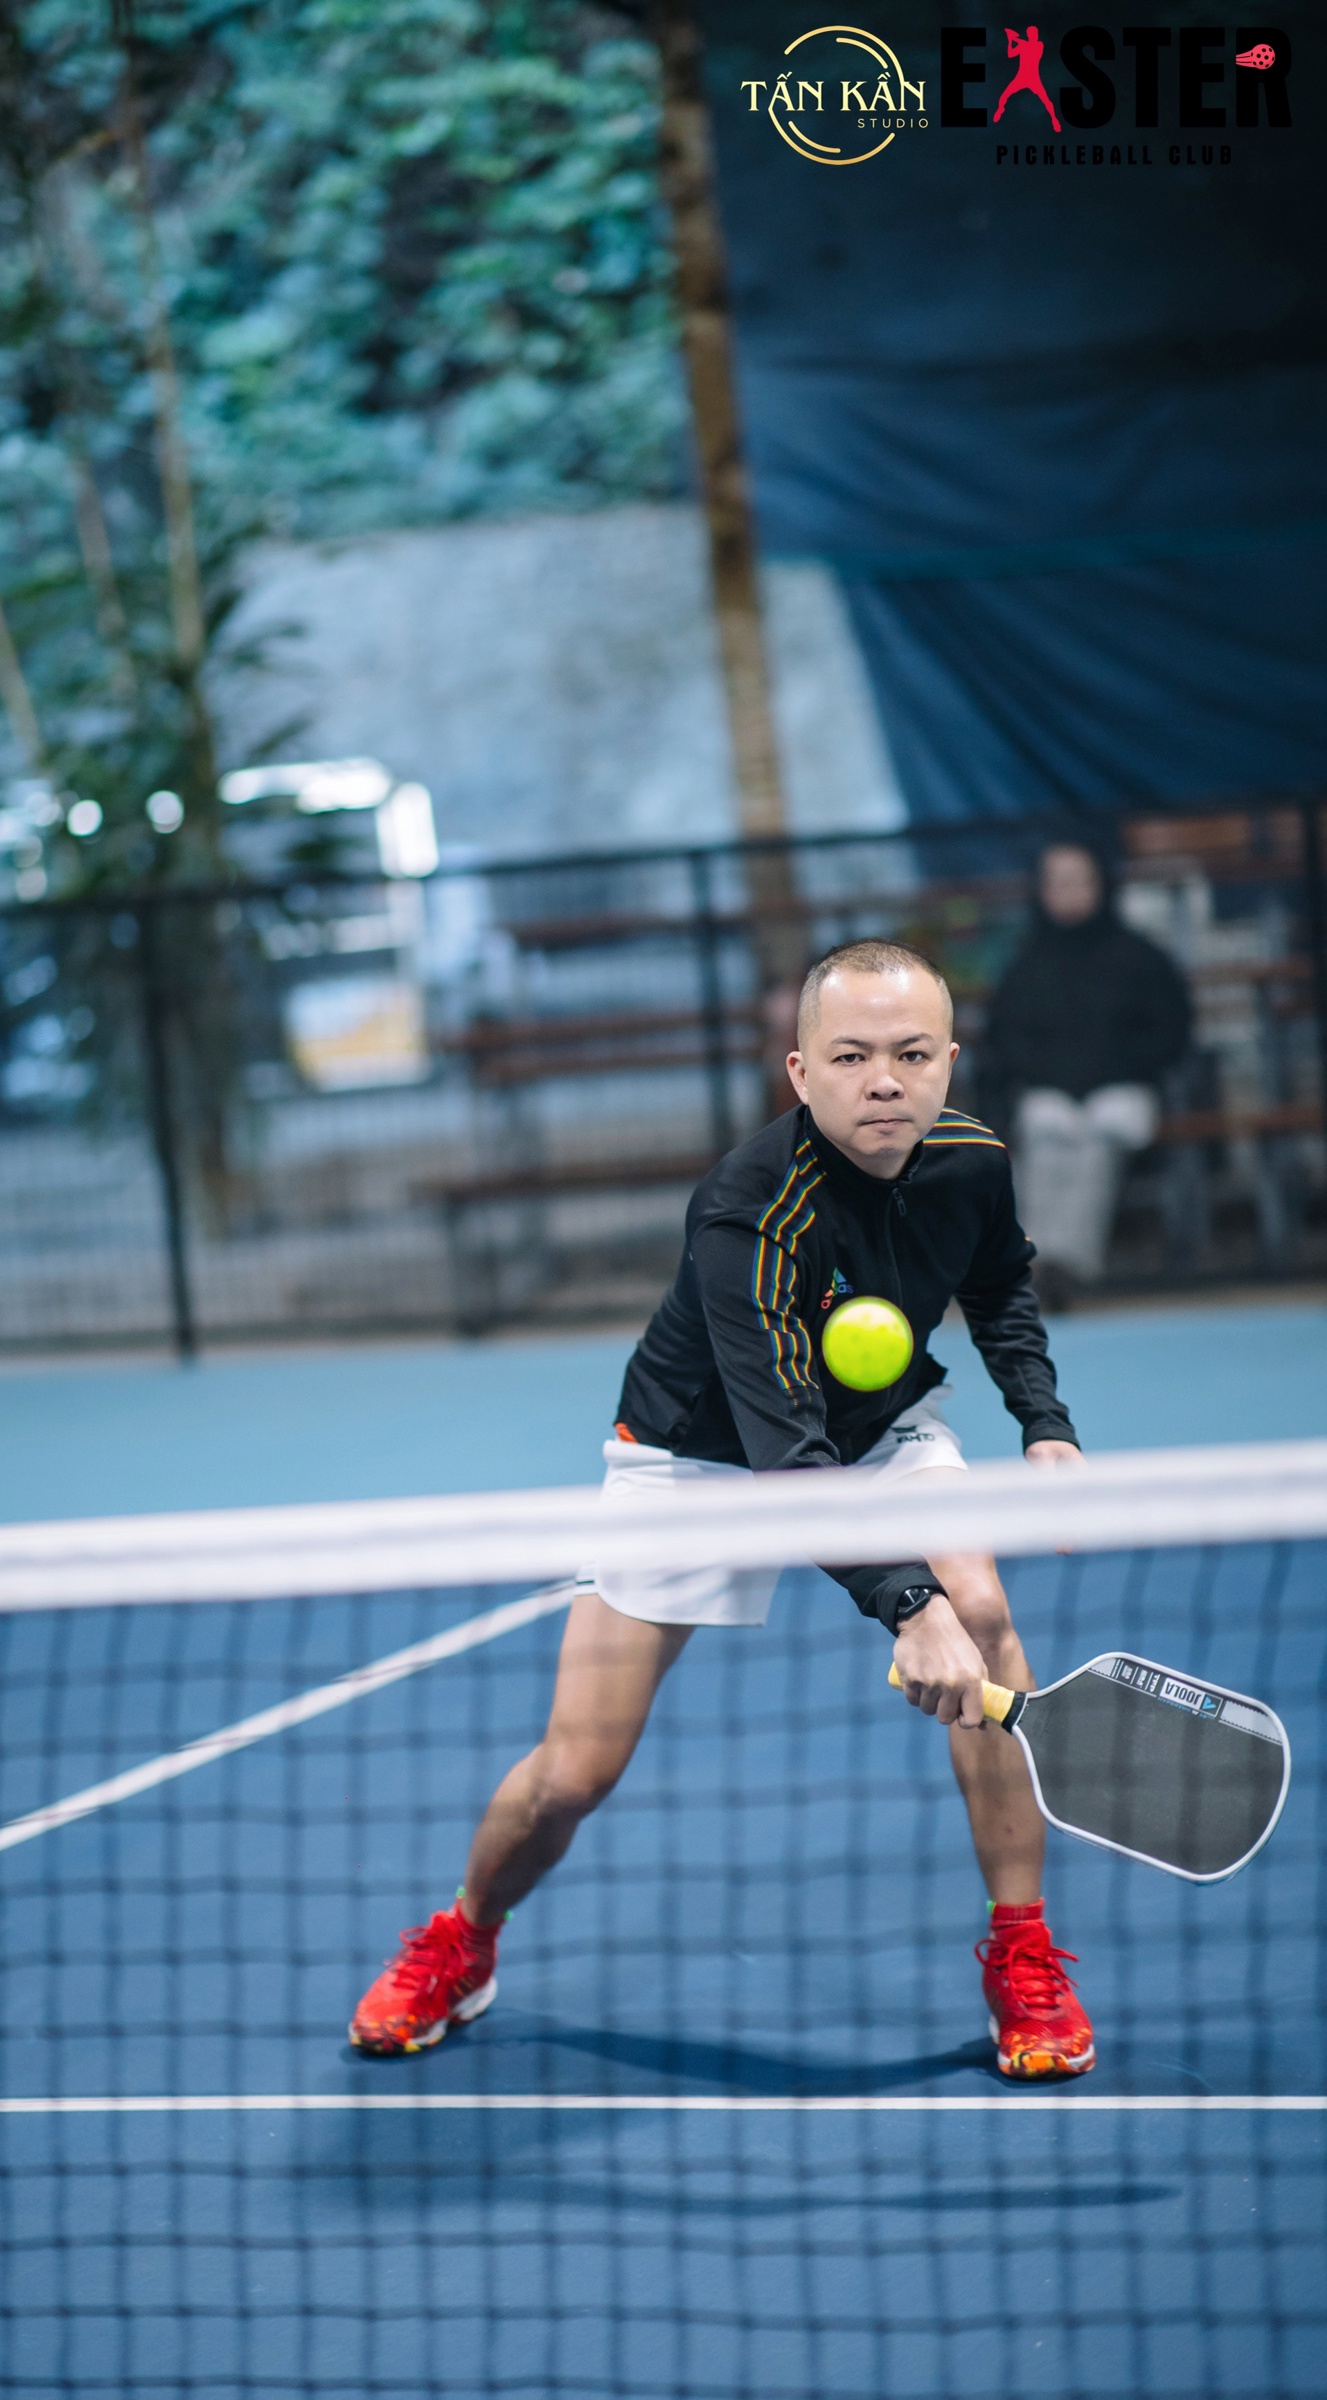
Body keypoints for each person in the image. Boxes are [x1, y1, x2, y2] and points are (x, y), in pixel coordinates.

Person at [351, 939, 1096, 2081]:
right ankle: (464, 1935)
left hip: (876, 1427)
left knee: (986, 1617)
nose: (883, 1081)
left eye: (910, 1055)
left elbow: (997, 1285)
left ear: (950, 1061)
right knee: (574, 1772)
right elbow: (784, 1459)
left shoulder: (969, 1160)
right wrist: (906, 1605)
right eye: (850, 1057)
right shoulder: (748, 1211)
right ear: (800, 1071)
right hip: (698, 1461)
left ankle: (1023, 1950)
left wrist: (1044, 1423)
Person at [980, 843, 1192, 1304]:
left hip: (1123, 1091)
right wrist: (1057, 1077)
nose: (1069, 892)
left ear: (1102, 885)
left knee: (1100, 1133)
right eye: (1058, 882)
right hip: (1050, 1092)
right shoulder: (1026, 964)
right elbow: (1007, 1040)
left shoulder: (1141, 957)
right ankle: (1036, 1261)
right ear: (1041, 891)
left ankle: (1067, 1265)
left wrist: (1109, 1073)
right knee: (1045, 1131)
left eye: (1079, 880)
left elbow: (1170, 1032)